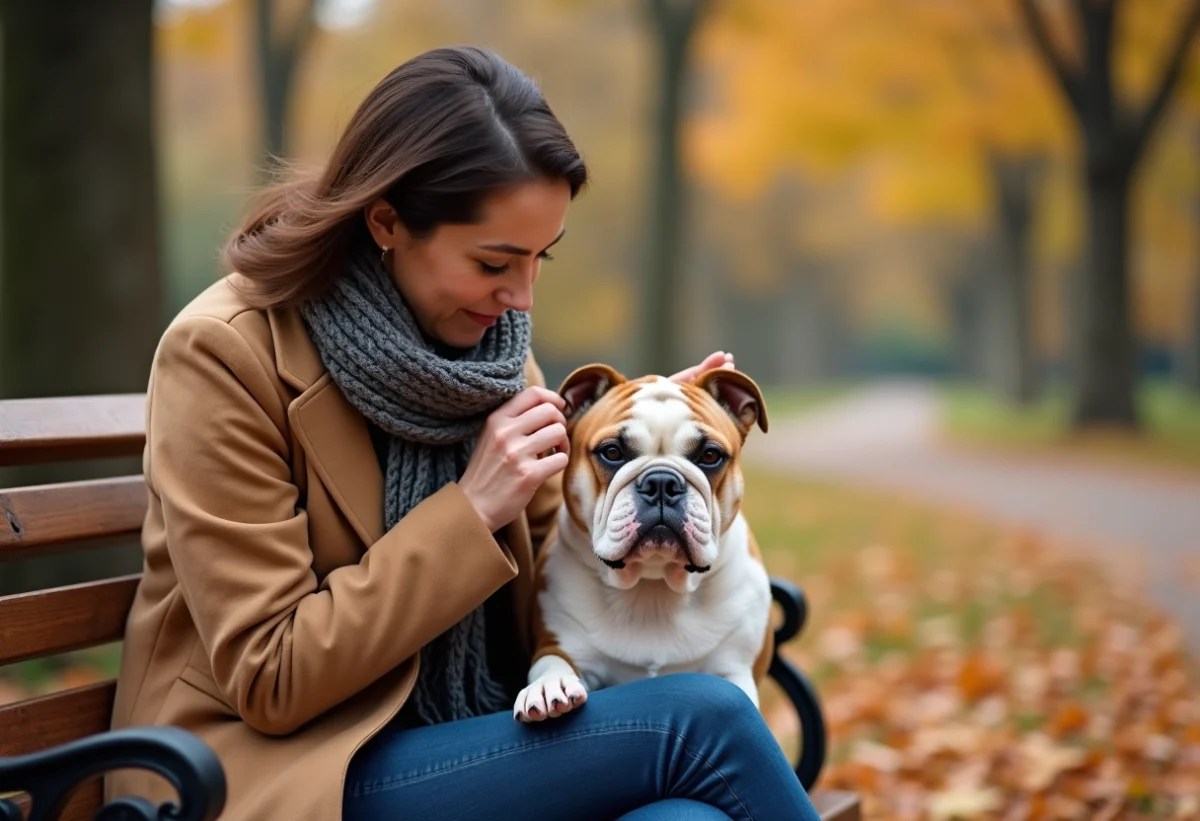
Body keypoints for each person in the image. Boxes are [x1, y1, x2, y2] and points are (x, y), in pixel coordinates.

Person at [104, 46, 823, 821]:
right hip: (269, 770)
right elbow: (270, 676)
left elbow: (566, 568)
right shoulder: (225, 354)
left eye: (540, 257)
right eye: (494, 262)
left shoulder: (494, 354)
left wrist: (645, 435)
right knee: (705, 722)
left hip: (470, 735)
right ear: (386, 220)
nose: (521, 296)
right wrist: (471, 509)